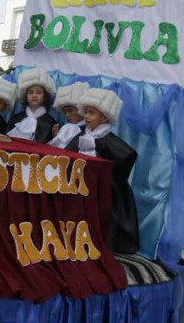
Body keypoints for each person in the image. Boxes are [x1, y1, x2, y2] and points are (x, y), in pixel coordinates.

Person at [65, 88, 140, 254]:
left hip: (101, 191)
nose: (86, 116)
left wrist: (109, 179)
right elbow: (67, 154)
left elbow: (127, 156)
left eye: (91, 113)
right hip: (79, 186)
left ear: (104, 117)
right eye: (86, 112)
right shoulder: (81, 136)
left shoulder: (107, 140)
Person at [7, 67, 57, 143]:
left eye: (39, 92)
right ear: (25, 96)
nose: (34, 95)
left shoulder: (51, 123)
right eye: (30, 92)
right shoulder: (15, 119)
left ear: (45, 96)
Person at [48, 81, 90, 148]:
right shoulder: (65, 128)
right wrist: (55, 136)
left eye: (70, 111)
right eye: (65, 112)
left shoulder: (87, 131)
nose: (67, 115)